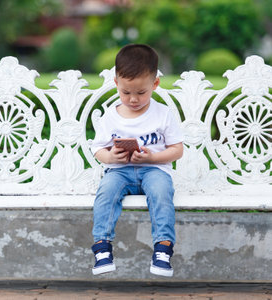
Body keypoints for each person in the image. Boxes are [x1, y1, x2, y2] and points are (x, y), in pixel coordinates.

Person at [90, 44, 184, 277]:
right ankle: (102, 247)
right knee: (106, 192)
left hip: (154, 170)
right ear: (116, 84)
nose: (133, 99)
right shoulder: (110, 116)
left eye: (141, 93)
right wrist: (110, 156)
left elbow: (177, 150)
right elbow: (97, 149)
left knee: (162, 192)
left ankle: (163, 248)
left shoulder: (162, 114)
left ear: (154, 84)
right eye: (126, 92)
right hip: (119, 171)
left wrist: (153, 156)